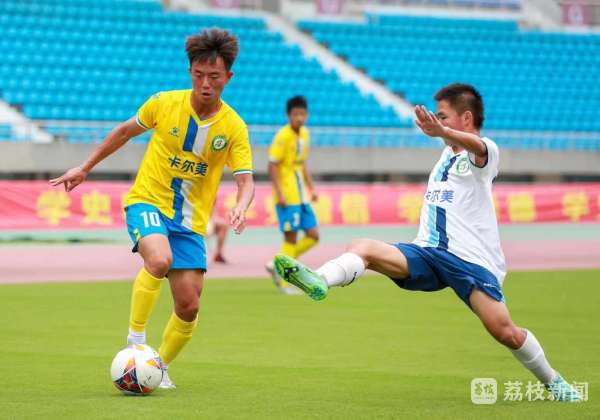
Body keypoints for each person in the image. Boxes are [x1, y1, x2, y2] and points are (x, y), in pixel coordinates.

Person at [274, 83, 581, 402]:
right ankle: (319, 279)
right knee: (362, 246)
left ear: (466, 118)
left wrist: (442, 132)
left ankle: (553, 381)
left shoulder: (483, 153)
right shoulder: (445, 156)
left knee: (505, 332)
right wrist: (443, 133)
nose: (437, 121)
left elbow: (478, 147)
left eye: (443, 116)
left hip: (469, 262)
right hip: (426, 253)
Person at [50, 28, 254, 389]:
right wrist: (84, 167)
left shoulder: (234, 127)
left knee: (189, 306)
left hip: (190, 222)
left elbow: (245, 180)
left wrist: (241, 205)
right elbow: (124, 132)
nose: (206, 84)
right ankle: (135, 341)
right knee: (159, 260)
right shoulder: (163, 103)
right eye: (199, 75)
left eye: (214, 76)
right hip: (148, 201)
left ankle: (157, 367)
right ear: (190, 72)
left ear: (229, 77)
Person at [266, 96, 319, 294]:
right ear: (289, 116)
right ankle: (284, 283)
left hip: (302, 194)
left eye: (302, 114)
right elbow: (272, 165)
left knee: (313, 235)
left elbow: (303, 163)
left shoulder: (305, 134)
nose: (299, 118)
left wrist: (311, 188)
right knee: (291, 238)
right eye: (296, 114)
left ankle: (276, 263)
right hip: (288, 195)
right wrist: (279, 193)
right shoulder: (283, 136)